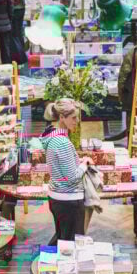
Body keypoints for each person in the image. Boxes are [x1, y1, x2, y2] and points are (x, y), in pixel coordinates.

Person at [41, 99, 92, 242]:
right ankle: (44, 262)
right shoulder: (62, 142)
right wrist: (85, 164)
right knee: (71, 246)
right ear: (62, 118)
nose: (77, 121)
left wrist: (77, 162)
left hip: (58, 198)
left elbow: (63, 168)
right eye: (74, 118)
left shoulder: (52, 137)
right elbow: (72, 178)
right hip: (69, 201)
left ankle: (45, 261)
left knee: (62, 238)